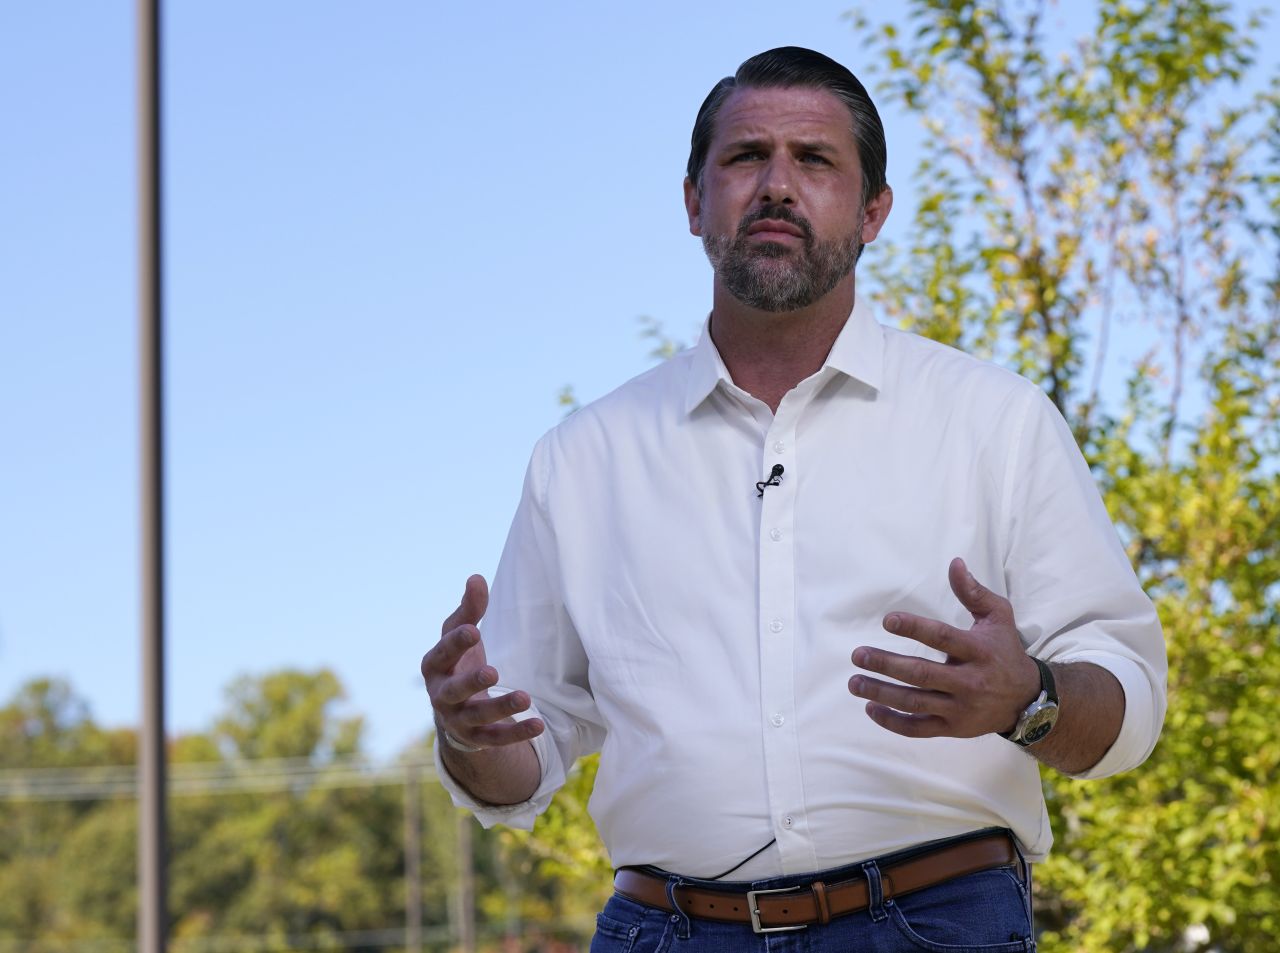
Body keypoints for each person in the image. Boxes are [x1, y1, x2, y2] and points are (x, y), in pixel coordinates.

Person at [421, 46, 1166, 951]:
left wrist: (1029, 698)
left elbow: (1128, 704)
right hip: (665, 932)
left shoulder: (994, 421)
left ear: (874, 211)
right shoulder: (583, 459)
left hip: (937, 924)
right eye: (745, 158)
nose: (777, 185)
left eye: (814, 161)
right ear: (694, 201)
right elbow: (517, 761)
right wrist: (467, 734)